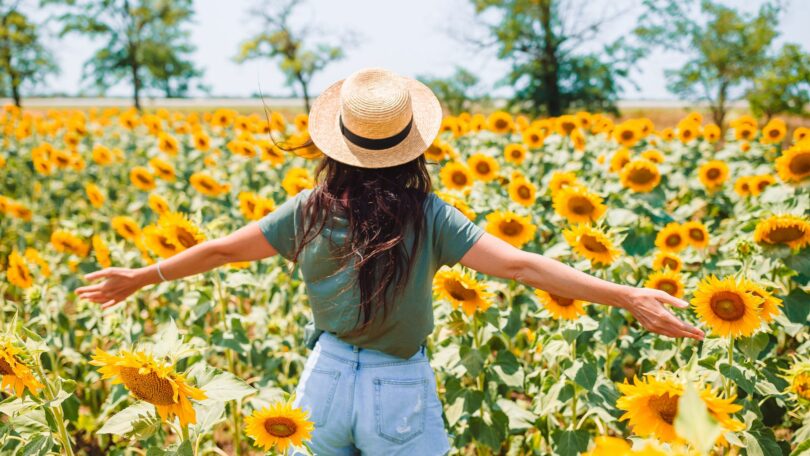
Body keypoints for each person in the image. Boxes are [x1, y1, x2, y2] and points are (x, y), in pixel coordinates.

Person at [75, 67, 704, 455]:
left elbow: (220, 251)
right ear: (411, 147)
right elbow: (520, 266)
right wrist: (627, 295)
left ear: (336, 143)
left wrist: (141, 276)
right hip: (395, 387)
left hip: (320, 382)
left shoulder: (310, 208)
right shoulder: (427, 215)